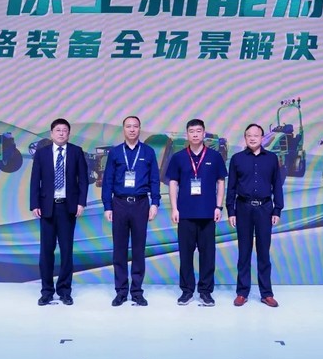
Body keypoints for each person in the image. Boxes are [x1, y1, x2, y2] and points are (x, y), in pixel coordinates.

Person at [167, 119, 227, 306]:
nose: (195, 134)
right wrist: (174, 208)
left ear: (204, 133)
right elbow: (173, 183)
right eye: (191, 131)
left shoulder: (214, 156)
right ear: (187, 134)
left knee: (208, 255)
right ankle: (186, 291)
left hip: (208, 214)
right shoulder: (178, 157)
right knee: (185, 255)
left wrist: (218, 206)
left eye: (198, 131)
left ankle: (205, 292)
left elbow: (221, 182)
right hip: (185, 214)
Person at [102, 116, 160, 307]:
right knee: (119, 250)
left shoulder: (148, 152)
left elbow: (154, 179)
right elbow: (108, 180)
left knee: (138, 249)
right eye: (128, 126)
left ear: (140, 129)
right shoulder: (116, 152)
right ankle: (121, 291)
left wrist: (155, 203)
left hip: (141, 204)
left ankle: (136, 291)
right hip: (119, 204)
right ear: (123, 129)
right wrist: (107, 206)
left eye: (135, 126)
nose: (132, 129)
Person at [30, 118, 89, 306]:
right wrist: (34, 204)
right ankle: (46, 291)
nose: (61, 133)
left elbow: (83, 180)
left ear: (69, 134)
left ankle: (64, 290)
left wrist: (81, 203)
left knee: (66, 251)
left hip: (67, 207)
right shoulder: (42, 153)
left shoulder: (76, 152)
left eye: (65, 130)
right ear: (51, 133)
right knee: (46, 252)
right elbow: (35, 180)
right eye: (58, 130)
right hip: (47, 207)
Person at [226, 123, 284, 308]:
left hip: (265, 209)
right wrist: (231, 211)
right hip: (243, 208)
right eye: (249, 135)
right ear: (245, 138)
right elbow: (231, 187)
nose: (252, 138)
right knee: (244, 252)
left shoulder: (272, 158)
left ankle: (266, 294)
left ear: (262, 138)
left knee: (263, 252)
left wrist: (277, 209)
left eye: (256, 135)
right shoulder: (237, 159)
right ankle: (242, 293)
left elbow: (277, 185)